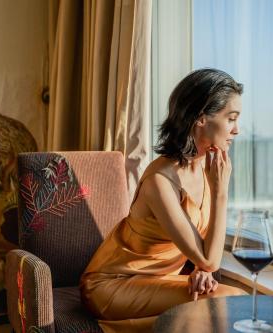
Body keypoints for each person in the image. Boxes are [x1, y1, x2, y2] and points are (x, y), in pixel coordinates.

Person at [80, 68, 246, 332]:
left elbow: (202, 251)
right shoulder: (161, 181)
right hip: (114, 284)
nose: (237, 129)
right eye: (231, 118)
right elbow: (210, 259)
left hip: (162, 281)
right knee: (230, 304)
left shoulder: (207, 168)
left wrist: (200, 270)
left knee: (238, 304)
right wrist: (221, 193)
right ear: (201, 118)